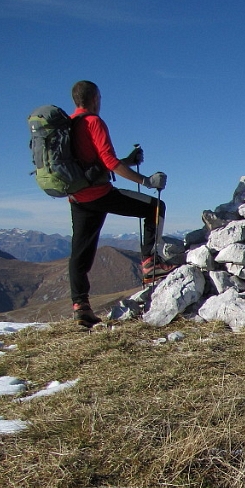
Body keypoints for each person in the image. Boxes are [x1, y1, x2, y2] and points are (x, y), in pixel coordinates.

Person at [67, 80, 174, 327]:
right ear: (95, 98)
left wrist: (128, 160)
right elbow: (108, 161)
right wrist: (145, 180)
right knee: (155, 207)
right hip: (100, 193)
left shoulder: (70, 125)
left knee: (80, 252)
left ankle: (80, 306)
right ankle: (151, 263)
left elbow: (97, 162)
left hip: (78, 198)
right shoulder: (93, 122)